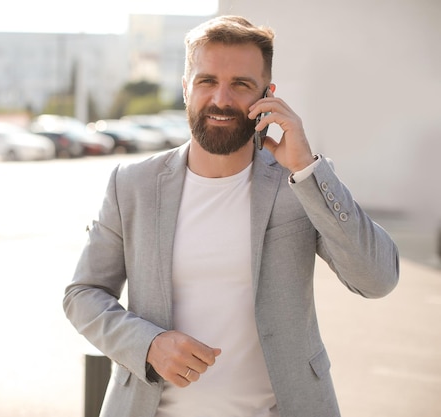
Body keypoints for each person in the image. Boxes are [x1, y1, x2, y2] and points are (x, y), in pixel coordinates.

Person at [63, 15, 399, 417]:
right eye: (207, 81)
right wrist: (147, 345)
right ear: (186, 88)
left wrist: (308, 169)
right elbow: (82, 294)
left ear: (267, 95)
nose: (221, 99)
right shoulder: (132, 183)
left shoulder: (299, 185)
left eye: (240, 84)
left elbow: (377, 279)